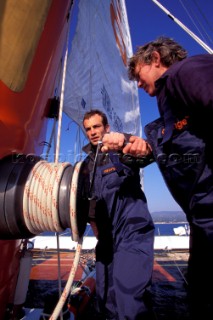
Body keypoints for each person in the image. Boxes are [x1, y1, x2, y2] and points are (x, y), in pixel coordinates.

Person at [102, 36, 213, 319]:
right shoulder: (167, 113)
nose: (138, 85)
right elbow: (156, 149)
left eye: (138, 76)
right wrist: (129, 143)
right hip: (200, 220)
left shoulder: (185, 73)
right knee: (200, 295)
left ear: (154, 58)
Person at [82, 109, 155, 320]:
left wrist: (125, 141)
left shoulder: (120, 152)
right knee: (106, 300)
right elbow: (90, 205)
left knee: (130, 299)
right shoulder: (87, 166)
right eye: (88, 129)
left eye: (97, 127)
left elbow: (146, 154)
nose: (93, 132)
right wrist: (96, 230)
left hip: (131, 233)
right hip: (106, 241)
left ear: (106, 128)